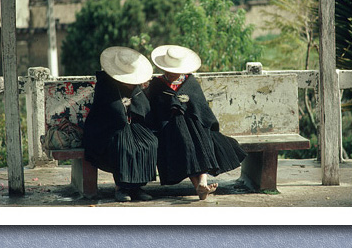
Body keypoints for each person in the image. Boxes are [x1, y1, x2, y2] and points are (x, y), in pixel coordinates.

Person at [147, 45, 246, 200]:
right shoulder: (156, 85)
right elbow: (153, 112)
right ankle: (200, 184)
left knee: (201, 140)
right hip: (168, 128)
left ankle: (202, 184)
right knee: (186, 143)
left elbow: (201, 109)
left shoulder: (190, 83)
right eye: (169, 71)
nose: (172, 74)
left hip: (194, 126)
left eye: (175, 71)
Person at [83, 46, 158, 202]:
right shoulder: (105, 84)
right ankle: (121, 187)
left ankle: (137, 187)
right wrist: (123, 115)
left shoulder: (136, 86)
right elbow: (108, 109)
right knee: (122, 145)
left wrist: (132, 114)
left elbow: (144, 107)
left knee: (148, 143)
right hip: (106, 127)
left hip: (132, 125)